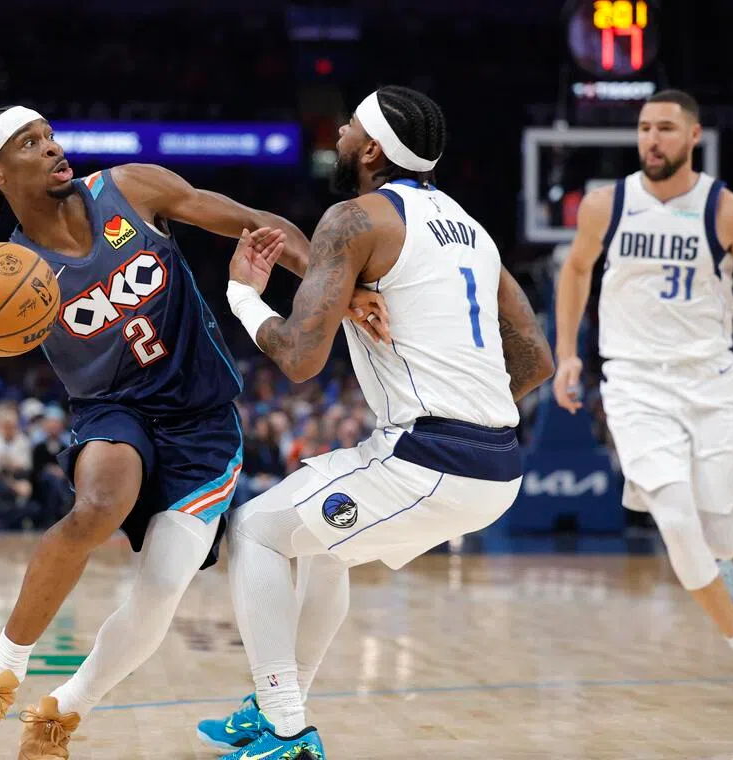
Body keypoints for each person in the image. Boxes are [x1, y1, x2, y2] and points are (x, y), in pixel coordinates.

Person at [0, 104, 390, 759]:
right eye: (29, 143)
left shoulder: (130, 189)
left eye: (49, 135)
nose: (51, 148)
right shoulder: (2, 272)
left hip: (201, 421)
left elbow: (259, 225)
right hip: (114, 412)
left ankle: (60, 713)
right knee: (99, 505)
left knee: (159, 593)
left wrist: (337, 290)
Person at [197, 86, 554, 758]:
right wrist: (470, 403)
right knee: (324, 550)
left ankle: (285, 730)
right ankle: (281, 705)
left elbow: (300, 359)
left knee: (254, 533)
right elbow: (535, 359)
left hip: (431, 458)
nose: (337, 131)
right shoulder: (472, 230)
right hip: (495, 462)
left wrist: (243, 295)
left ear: (371, 150)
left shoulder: (355, 217)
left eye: (349, 126)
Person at [553, 89, 733, 704]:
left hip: (713, 382)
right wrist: (568, 354)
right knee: (674, 519)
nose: (652, 139)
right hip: (635, 384)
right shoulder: (606, 205)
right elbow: (576, 270)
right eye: (645, 128)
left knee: (721, 538)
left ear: (693, 136)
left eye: (666, 128)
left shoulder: (730, 211)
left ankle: (718, 566)